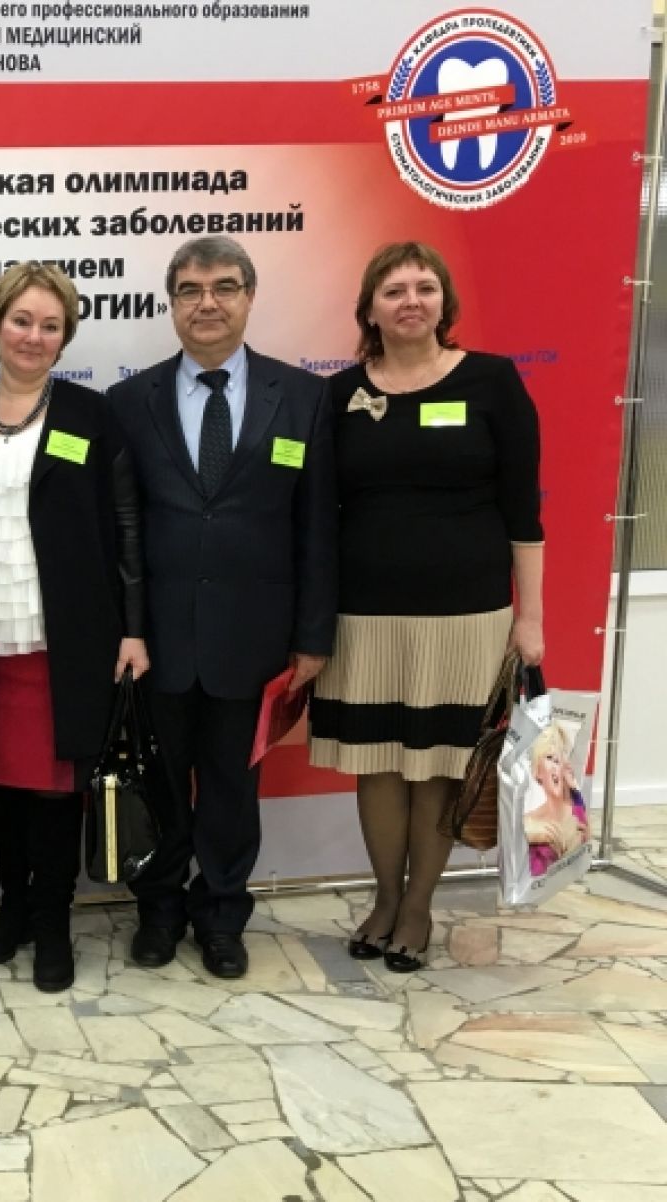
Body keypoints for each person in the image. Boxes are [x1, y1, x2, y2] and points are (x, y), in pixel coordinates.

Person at [308, 241, 543, 972]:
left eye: (424, 287)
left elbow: (524, 513)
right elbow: (319, 514)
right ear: (369, 311)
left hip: (466, 616)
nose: (410, 300)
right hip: (364, 615)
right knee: (377, 764)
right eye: (393, 290)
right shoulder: (339, 396)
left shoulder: (492, 381)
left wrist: (531, 618)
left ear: (444, 302)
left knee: (439, 765)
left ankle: (418, 908)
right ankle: (384, 898)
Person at [108, 235, 337, 981]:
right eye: (190, 290)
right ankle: (159, 911)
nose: (207, 303)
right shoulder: (129, 403)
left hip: (256, 637)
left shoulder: (301, 397)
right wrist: (125, 630)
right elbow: (120, 531)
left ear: (249, 297)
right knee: (160, 783)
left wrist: (312, 635)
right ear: (172, 303)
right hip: (158, 639)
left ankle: (222, 916)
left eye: (224, 287)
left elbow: (316, 526)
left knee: (233, 790)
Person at [0, 262, 147, 992]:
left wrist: (133, 628)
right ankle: (14, 907)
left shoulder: (93, 415)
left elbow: (126, 525)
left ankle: (53, 920)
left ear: (66, 338)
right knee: (1, 776)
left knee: (57, 783)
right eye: (21, 320)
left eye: (50, 326)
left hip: (68, 638)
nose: (33, 336)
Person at [524, 725, 587, 876]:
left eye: (558, 760)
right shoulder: (528, 821)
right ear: (537, 771)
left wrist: (573, 790)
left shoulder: (576, 811)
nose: (555, 767)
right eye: (549, 758)